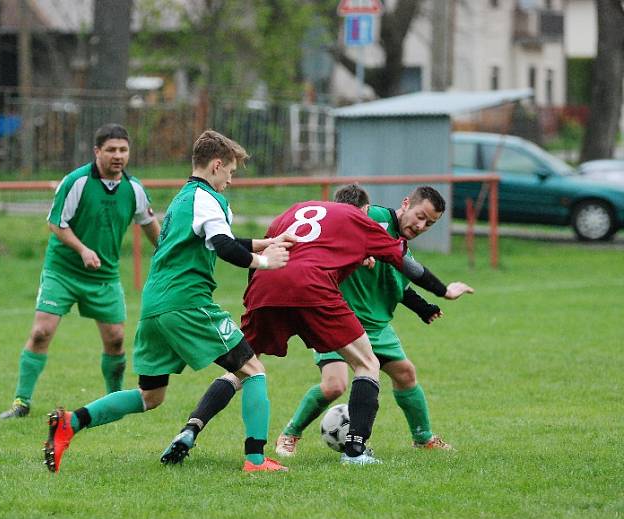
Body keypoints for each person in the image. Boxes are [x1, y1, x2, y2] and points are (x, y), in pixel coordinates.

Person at [160, 186, 473, 466]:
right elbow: (407, 266)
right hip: (313, 290)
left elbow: (263, 250)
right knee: (367, 364)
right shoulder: (363, 220)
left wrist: (256, 299)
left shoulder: (297, 210)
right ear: (364, 211)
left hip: (267, 287)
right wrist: (443, 290)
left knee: (242, 369)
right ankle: (355, 452)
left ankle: (191, 429)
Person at [42, 130, 294, 473]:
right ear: (217, 165)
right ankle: (255, 459)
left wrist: (266, 242)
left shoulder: (183, 199)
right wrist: (266, 263)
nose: (231, 181)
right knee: (253, 370)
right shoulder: (208, 198)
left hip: (155, 305)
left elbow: (215, 239)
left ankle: (72, 422)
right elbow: (222, 246)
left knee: (151, 396)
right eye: (231, 172)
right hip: (187, 302)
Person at [275, 185, 456, 458]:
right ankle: (290, 433)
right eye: (420, 216)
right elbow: (339, 224)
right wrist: (357, 250)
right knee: (334, 384)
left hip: (375, 325)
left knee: (406, 374)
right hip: (337, 317)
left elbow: (396, 284)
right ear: (406, 203)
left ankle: (423, 437)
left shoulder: (400, 246)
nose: (421, 225)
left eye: (429, 223)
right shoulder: (374, 218)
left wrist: (422, 307)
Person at [0, 123, 161, 419]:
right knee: (41, 332)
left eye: (123, 150)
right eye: (111, 150)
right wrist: (83, 250)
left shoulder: (134, 189)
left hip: (104, 276)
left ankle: (113, 401)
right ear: (97, 152)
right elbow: (56, 224)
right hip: (63, 270)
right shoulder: (77, 182)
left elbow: (151, 228)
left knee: (115, 339)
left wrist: (168, 254)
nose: (118, 156)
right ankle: (21, 402)